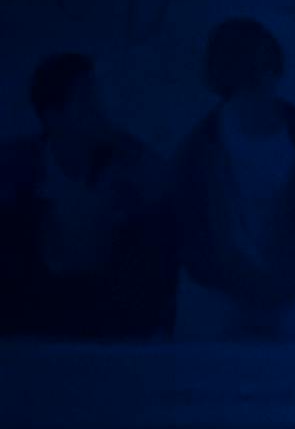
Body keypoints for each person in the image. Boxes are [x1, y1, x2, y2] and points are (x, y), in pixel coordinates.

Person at [167, 16, 295, 332]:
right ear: (230, 82)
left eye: (268, 71)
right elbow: (188, 235)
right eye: (252, 78)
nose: (265, 84)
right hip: (220, 302)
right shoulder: (198, 151)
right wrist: (235, 282)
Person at [0, 51, 177, 336]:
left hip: (103, 308)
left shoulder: (122, 163)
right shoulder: (17, 167)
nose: (99, 108)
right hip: (31, 309)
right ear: (53, 116)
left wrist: (123, 143)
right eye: (86, 99)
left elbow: (167, 191)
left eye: (100, 97)